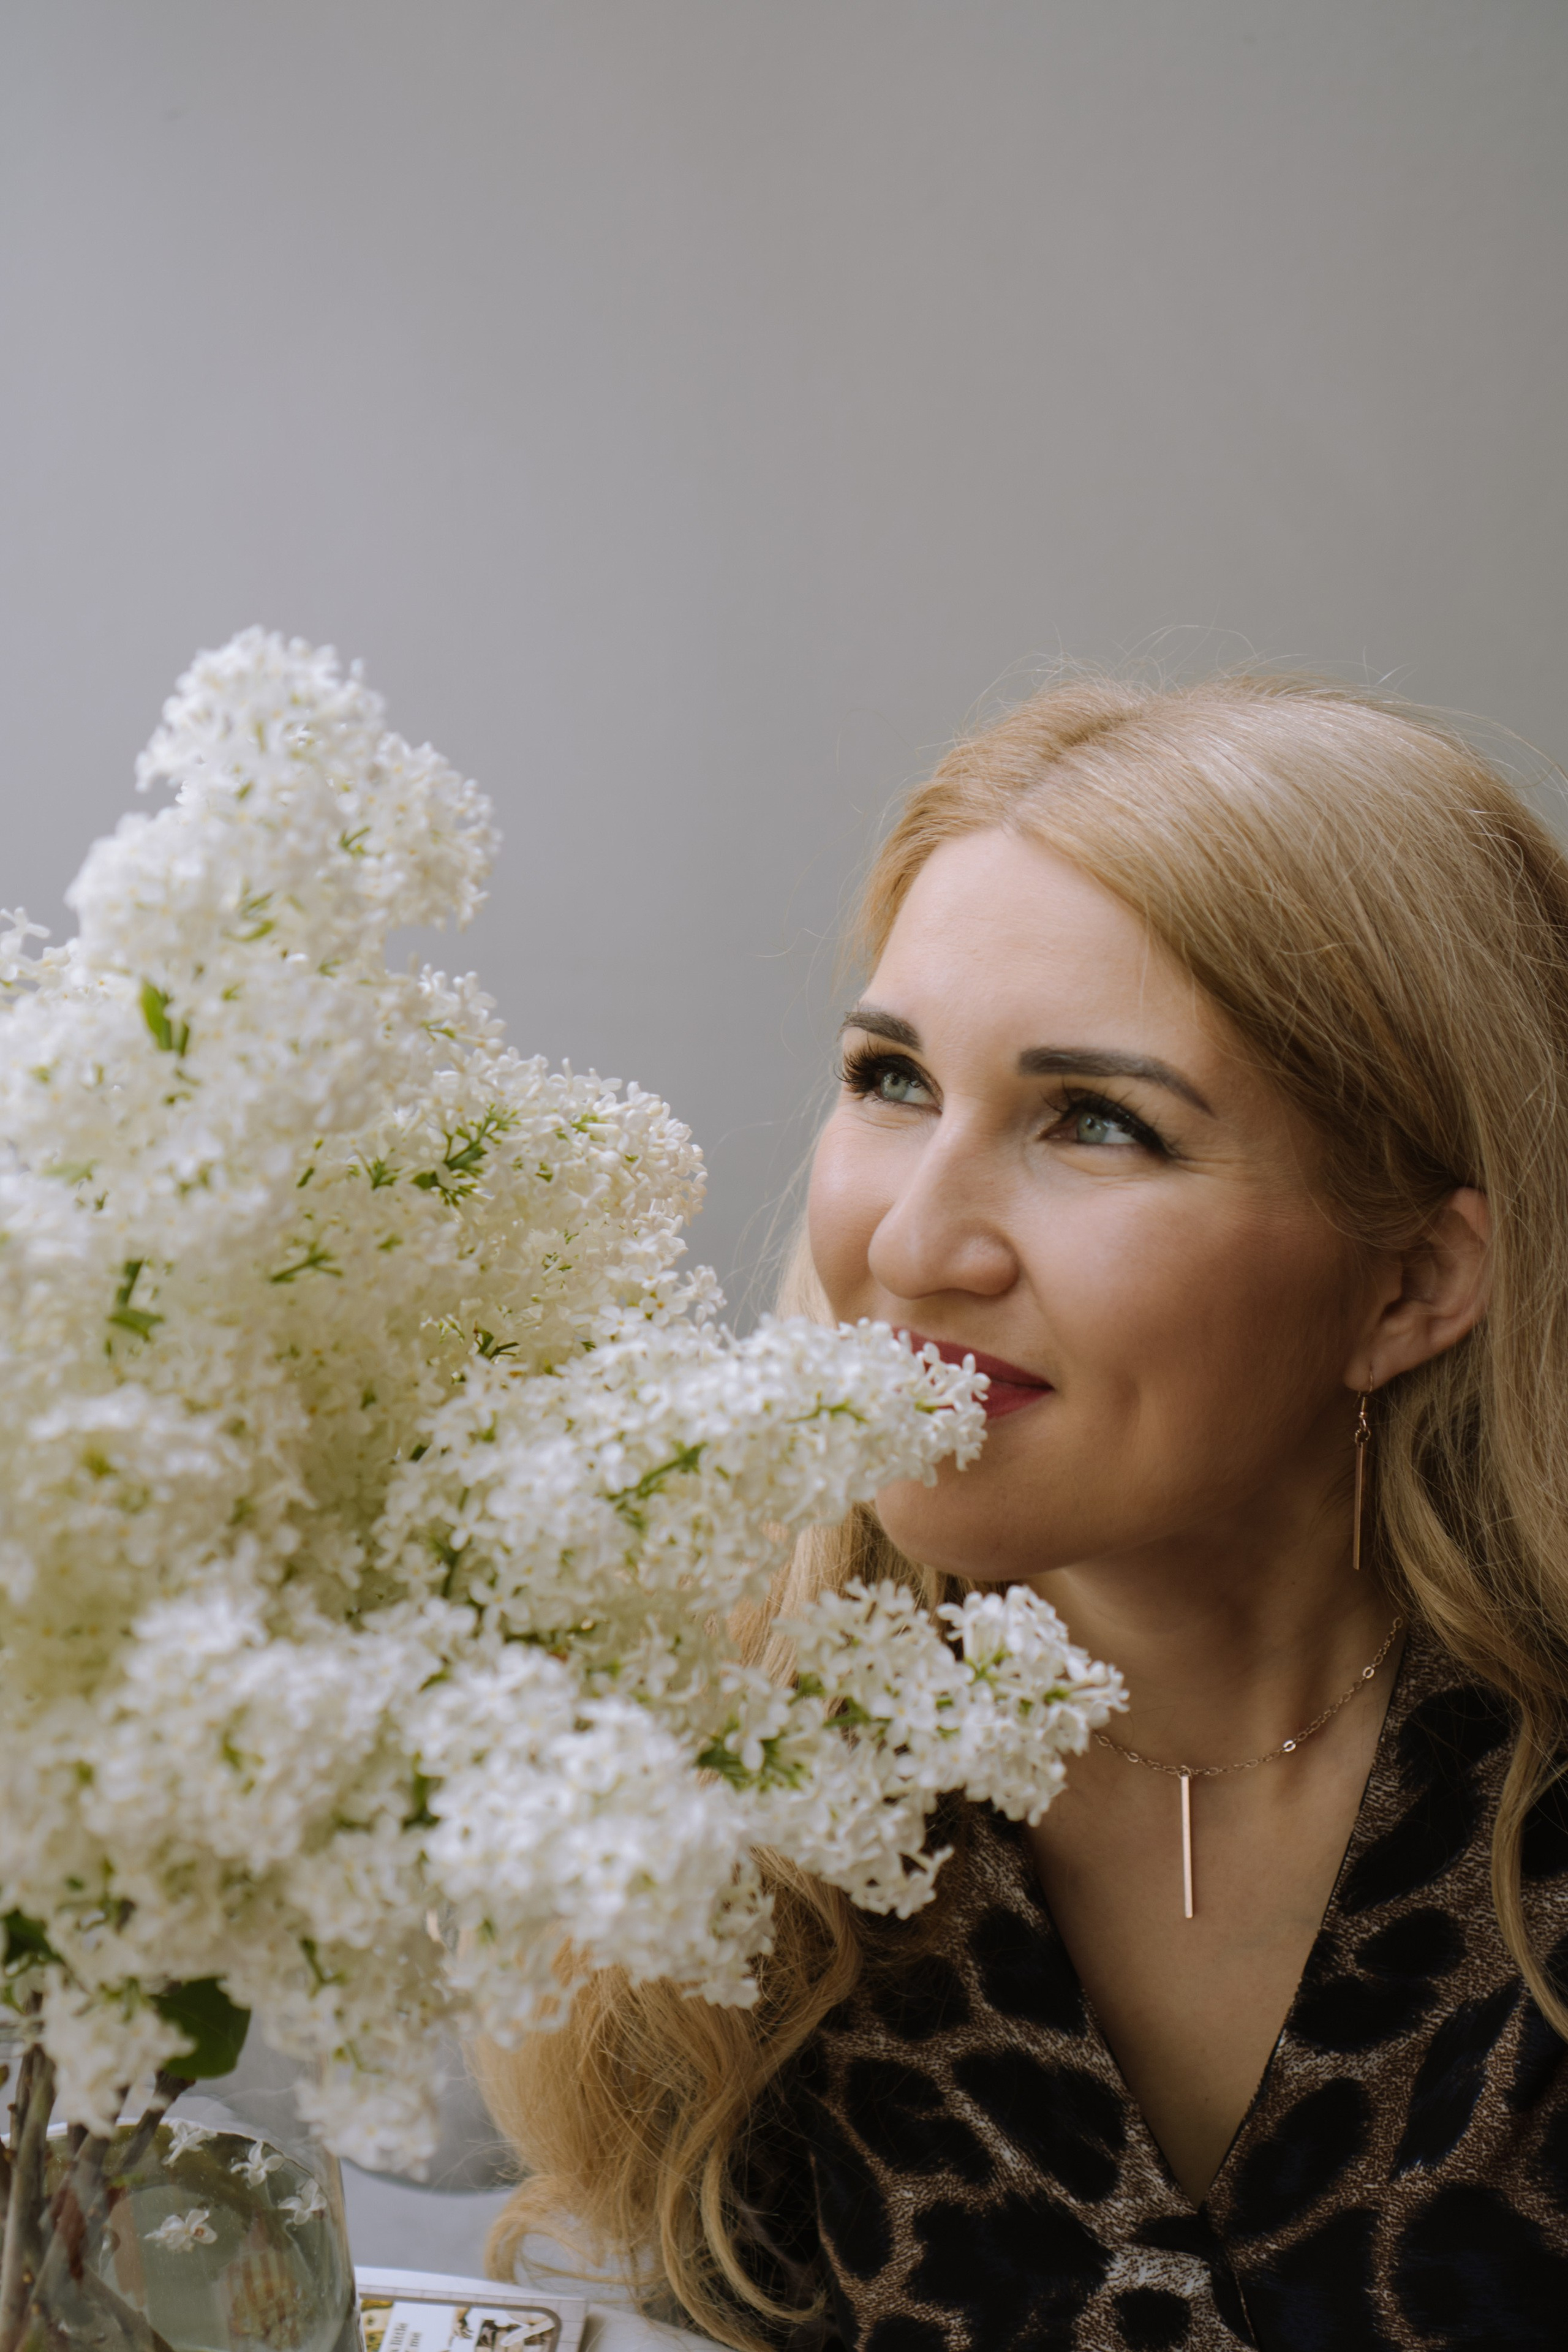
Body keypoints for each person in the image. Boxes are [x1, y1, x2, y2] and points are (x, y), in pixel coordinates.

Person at [480, 674, 1568, 2351]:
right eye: (892, 1078)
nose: (914, 1246)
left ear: (1413, 1282)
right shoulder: (722, 1803)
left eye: (1099, 1122)